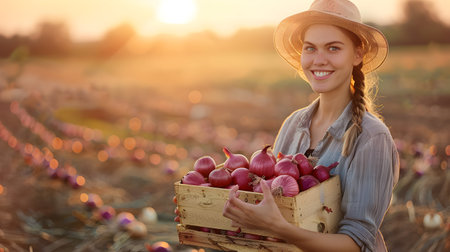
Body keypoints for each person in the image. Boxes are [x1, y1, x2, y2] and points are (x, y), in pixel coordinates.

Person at [222, 0, 400, 251]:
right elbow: (273, 202)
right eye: (310, 48)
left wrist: (279, 228)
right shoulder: (293, 125)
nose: (319, 60)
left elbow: (355, 243)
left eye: (333, 48)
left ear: (357, 55)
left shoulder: (371, 138)